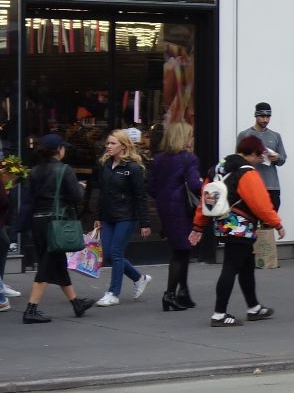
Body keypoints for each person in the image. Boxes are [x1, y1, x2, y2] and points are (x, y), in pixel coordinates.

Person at [194, 134, 284, 328]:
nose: (260, 160)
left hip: (222, 222)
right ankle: (219, 314)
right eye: (258, 156)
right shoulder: (247, 173)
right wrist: (277, 223)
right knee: (231, 267)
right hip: (241, 226)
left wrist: (198, 225)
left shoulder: (218, 168)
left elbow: (206, 198)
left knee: (246, 265)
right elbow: (260, 204)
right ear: (251, 153)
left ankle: (254, 307)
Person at [15, 135, 95, 323]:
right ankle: (31, 309)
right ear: (59, 149)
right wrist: (81, 187)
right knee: (47, 264)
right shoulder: (65, 170)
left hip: (38, 222)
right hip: (56, 221)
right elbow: (76, 196)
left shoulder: (34, 171)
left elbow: (30, 199)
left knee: (57, 262)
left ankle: (76, 303)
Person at [90, 129, 151, 307]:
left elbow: (140, 196)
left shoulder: (132, 168)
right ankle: (139, 278)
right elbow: (102, 194)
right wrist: (98, 216)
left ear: (123, 146)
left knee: (116, 252)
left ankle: (113, 293)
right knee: (108, 254)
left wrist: (145, 222)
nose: (108, 146)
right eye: (107, 143)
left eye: (112, 143)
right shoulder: (106, 166)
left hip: (126, 216)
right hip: (108, 216)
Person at [149, 122, 203, 310]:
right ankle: (170, 294)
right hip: (181, 208)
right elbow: (195, 185)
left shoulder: (159, 159)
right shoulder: (188, 159)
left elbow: (152, 187)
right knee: (181, 252)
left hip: (165, 208)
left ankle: (183, 291)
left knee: (182, 249)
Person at [238, 102, 287, 210]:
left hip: (271, 186)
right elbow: (238, 160)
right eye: (262, 116)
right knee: (251, 221)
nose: (265, 120)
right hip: (251, 185)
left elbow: (283, 158)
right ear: (256, 116)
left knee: (269, 222)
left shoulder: (275, 136)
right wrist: (253, 159)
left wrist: (277, 157)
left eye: (268, 116)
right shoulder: (244, 135)